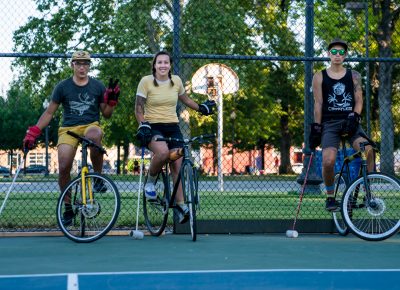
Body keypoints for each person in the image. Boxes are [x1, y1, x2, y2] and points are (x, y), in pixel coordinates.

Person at [23, 50, 120, 225]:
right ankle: (68, 207)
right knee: (64, 165)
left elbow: (106, 114)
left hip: (91, 124)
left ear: (89, 66)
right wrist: (35, 131)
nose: (82, 67)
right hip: (68, 128)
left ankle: (97, 178)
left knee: (95, 134)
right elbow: (49, 112)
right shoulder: (62, 87)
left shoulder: (98, 86)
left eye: (85, 64)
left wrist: (112, 103)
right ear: (72, 65)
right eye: (78, 63)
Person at [135, 50, 215, 224]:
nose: (163, 65)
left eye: (166, 62)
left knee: (177, 165)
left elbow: (185, 99)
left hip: (173, 127)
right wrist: (143, 124)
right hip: (152, 127)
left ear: (170, 65)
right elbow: (138, 108)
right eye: (159, 62)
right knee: (162, 153)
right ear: (154, 65)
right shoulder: (146, 82)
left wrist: (201, 108)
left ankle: (180, 205)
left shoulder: (176, 81)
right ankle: (150, 183)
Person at [309, 38, 375, 211]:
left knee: (368, 150)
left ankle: (366, 189)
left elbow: (359, 100)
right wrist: (317, 127)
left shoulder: (354, 76)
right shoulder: (319, 76)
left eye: (341, 52)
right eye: (334, 52)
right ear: (329, 54)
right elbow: (318, 104)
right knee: (328, 161)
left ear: (345, 55)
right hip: (329, 124)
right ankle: (330, 197)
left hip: (350, 122)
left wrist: (355, 116)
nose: (337, 55)